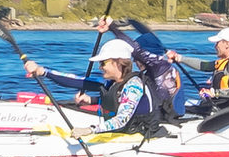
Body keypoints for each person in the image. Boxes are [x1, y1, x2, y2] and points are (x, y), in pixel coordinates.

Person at [23, 37, 160, 138]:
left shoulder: (134, 86)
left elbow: (121, 119)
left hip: (139, 138)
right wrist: (42, 71)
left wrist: (89, 130)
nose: (100, 67)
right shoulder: (110, 82)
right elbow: (75, 81)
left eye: (103, 63)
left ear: (118, 63)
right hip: (120, 135)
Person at [166, 27, 229, 113]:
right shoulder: (226, 62)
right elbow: (203, 65)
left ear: (227, 44)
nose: (215, 46)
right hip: (225, 107)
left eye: (217, 43)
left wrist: (214, 93)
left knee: (176, 110)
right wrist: (179, 58)